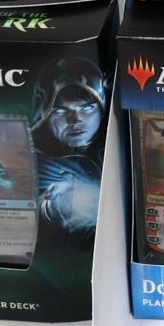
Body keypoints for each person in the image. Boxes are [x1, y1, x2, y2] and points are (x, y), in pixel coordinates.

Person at [31, 58, 108, 233]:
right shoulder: (32, 157)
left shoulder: (116, 148)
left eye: (86, 109)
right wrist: (53, 207)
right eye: (60, 111)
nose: (76, 120)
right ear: (44, 114)